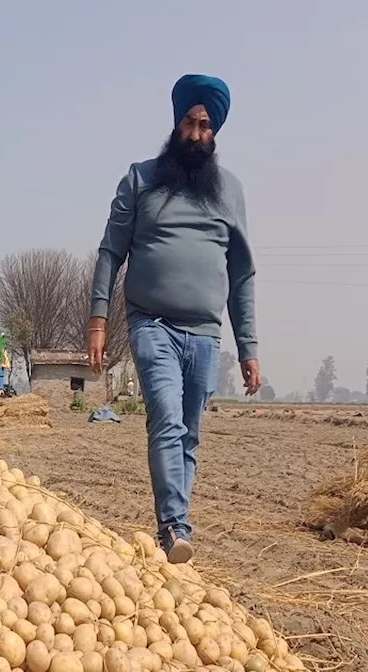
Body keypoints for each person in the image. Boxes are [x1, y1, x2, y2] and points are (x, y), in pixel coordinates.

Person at [87, 74, 261, 564]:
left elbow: (242, 273)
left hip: (205, 333)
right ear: (176, 123)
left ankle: (172, 524)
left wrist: (248, 347)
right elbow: (110, 251)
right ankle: (174, 526)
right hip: (152, 324)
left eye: (206, 125)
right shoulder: (140, 179)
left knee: (189, 433)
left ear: (215, 133)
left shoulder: (230, 191)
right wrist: (97, 320)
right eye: (189, 121)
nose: (197, 132)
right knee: (165, 420)